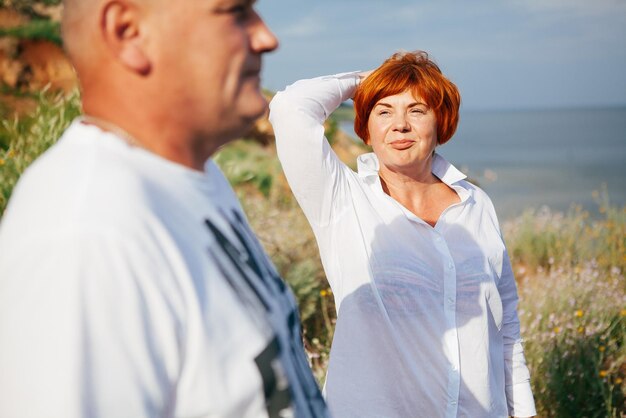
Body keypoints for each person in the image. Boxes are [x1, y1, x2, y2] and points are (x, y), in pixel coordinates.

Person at [0, 1, 330, 417]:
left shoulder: (193, 176)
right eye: (235, 12)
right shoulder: (86, 232)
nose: (267, 37)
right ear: (128, 33)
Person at [269, 51, 536, 417]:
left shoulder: (477, 205)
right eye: (384, 111)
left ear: (440, 122)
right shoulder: (341, 199)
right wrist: (368, 80)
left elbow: (506, 328)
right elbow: (289, 108)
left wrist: (522, 411)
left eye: (416, 110)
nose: (400, 125)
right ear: (365, 128)